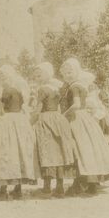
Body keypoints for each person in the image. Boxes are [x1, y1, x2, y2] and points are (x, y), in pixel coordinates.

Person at [60, 58, 109, 195]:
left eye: (70, 72)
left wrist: (63, 115)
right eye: (65, 73)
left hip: (77, 119)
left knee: (80, 149)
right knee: (89, 150)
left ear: (77, 71)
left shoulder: (74, 87)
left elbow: (76, 105)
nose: (67, 75)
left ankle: (82, 183)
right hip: (85, 118)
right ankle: (91, 183)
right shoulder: (81, 85)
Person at [0, 65, 38, 200]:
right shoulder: (19, 90)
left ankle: (3, 190)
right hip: (20, 121)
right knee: (19, 152)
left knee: (6, 153)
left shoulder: (7, 90)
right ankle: (18, 189)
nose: (0, 80)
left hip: (8, 121)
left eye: (2, 77)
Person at [32, 62, 76, 198]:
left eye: (39, 75)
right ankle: (60, 187)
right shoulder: (56, 88)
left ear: (46, 75)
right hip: (57, 119)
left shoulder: (42, 89)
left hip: (45, 119)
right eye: (36, 76)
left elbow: (38, 109)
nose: (37, 78)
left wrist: (30, 121)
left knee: (47, 152)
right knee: (59, 152)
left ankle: (47, 187)